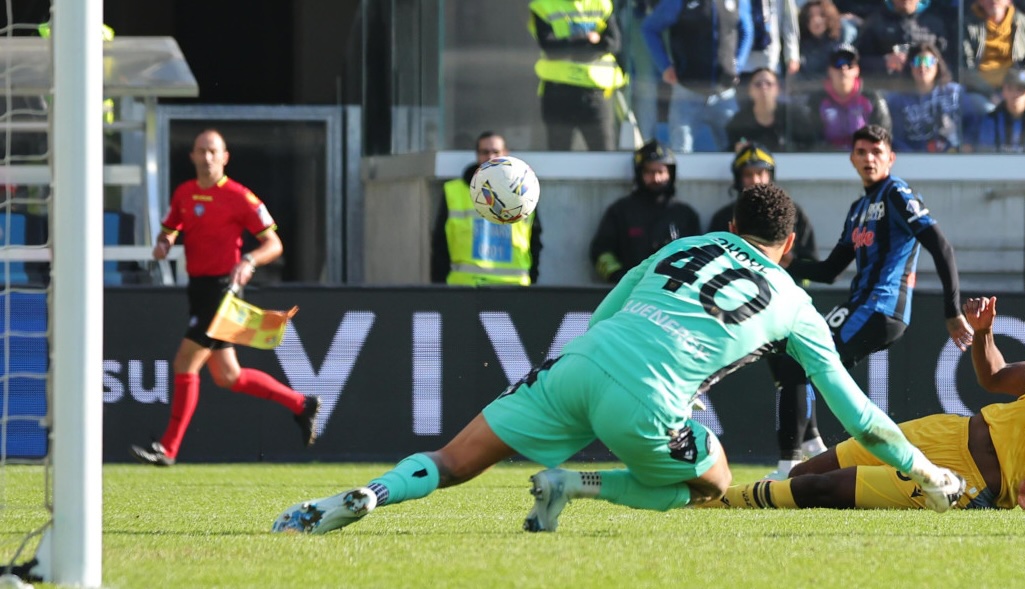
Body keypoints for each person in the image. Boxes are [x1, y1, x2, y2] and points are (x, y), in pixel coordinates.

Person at [271, 183, 967, 536]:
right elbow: (859, 417)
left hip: (579, 364)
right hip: (648, 401)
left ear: (731, 227)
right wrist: (925, 471)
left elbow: (604, 316)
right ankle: (576, 484)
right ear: (788, 246)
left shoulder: (682, 245)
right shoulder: (795, 302)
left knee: (452, 461)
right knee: (713, 482)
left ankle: (366, 496)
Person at [704, 297, 1025, 511]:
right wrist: (984, 334)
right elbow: (993, 377)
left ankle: (716, 500)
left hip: (966, 483)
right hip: (944, 432)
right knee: (809, 472)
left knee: (825, 489)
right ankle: (719, 502)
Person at [129, 130, 320, 467]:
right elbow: (170, 228)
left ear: (225, 157)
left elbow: (274, 244)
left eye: (213, 151)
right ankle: (301, 404)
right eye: (201, 151)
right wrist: (164, 243)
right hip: (198, 289)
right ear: (192, 156)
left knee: (185, 363)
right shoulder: (184, 193)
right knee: (228, 376)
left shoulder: (240, 197)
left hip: (223, 291)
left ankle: (168, 449)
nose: (207, 157)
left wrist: (249, 261)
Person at [785, 125, 972, 454]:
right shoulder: (858, 209)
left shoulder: (896, 194)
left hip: (880, 307)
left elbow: (941, 246)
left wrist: (952, 310)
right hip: (863, 306)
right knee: (804, 361)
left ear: (891, 159)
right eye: (862, 152)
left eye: (877, 152)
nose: (869, 159)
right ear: (852, 159)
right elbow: (830, 271)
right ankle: (823, 448)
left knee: (803, 359)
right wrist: (785, 262)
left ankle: (794, 460)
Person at [707, 144, 824, 479]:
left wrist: (786, 266)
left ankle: (795, 458)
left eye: (761, 173)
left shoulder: (791, 213)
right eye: (749, 174)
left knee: (793, 373)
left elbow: (812, 265)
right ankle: (812, 444)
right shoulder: (724, 217)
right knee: (788, 376)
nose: (756, 180)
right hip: (740, 310)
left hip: (782, 308)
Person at [431, 132, 542, 286]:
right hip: (467, 287)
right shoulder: (454, 191)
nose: (490, 157)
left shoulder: (525, 192)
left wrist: (532, 281)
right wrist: (439, 287)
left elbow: (535, 241)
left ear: (506, 154)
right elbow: (440, 244)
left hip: (514, 288)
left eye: (496, 152)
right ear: (477, 155)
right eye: (485, 152)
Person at [642, 0, 753, 152]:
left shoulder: (738, 2)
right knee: (681, 151)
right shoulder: (679, 2)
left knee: (735, 149)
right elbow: (650, 28)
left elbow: (747, 31)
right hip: (687, 92)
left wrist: (737, 65)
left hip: (724, 93)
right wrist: (665, 66)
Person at [589, 140, 700, 283]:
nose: (656, 178)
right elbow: (601, 252)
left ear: (670, 174)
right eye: (649, 172)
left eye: (661, 172)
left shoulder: (685, 215)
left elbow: (698, 257)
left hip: (671, 291)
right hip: (631, 290)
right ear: (639, 173)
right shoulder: (620, 211)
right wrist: (619, 277)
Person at [528, 0, 625, 151]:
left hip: (595, 91)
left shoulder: (602, 4)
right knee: (558, 155)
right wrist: (588, 40)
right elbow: (551, 48)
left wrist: (571, 45)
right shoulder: (543, 5)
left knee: (604, 154)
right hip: (558, 91)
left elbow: (613, 43)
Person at [792, 44, 892, 151]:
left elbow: (883, 138)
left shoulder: (872, 98)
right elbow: (811, 142)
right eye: (838, 63)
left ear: (857, 70)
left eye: (849, 64)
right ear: (829, 70)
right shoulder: (816, 101)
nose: (843, 68)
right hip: (826, 158)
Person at [886, 43, 978, 153]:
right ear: (910, 66)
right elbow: (896, 138)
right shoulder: (897, 100)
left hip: (954, 156)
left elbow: (973, 123)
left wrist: (966, 145)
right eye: (917, 61)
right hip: (913, 159)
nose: (922, 66)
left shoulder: (955, 93)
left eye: (928, 61)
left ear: (937, 65)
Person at [959, 0, 1025, 102]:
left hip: (1016, 88)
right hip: (981, 92)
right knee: (985, 107)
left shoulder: (1019, 20)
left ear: (1009, 1)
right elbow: (966, 69)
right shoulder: (967, 23)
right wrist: (990, 95)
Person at [854, 0, 951, 89]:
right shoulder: (875, 22)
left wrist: (927, 62)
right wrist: (885, 62)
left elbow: (947, 61)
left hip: (929, 91)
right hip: (887, 89)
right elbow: (857, 63)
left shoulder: (934, 25)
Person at [973, 69, 1025, 152]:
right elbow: (986, 152)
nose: (1015, 94)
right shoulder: (992, 119)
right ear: (1003, 92)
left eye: (1019, 90)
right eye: (1010, 89)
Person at [725, 68, 800, 152]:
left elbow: (808, 145)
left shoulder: (793, 116)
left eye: (769, 83)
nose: (764, 87)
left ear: (778, 89)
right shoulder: (738, 122)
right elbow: (729, 150)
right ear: (749, 90)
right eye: (758, 84)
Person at [792, 0, 858, 95]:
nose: (816, 20)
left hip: (841, 92)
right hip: (811, 93)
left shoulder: (844, 35)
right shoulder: (801, 45)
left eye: (822, 15)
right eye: (810, 16)